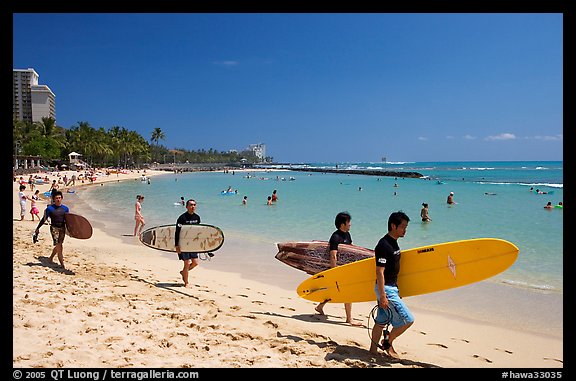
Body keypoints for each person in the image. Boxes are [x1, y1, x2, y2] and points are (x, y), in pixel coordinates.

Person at [369, 211, 414, 359]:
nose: (405, 230)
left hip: (390, 287)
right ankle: (387, 341)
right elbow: (379, 272)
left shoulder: (393, 242)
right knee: (408, 320)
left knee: (381, 321)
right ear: (393, 226)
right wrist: (383, 295)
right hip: (386, 289)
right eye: (403, 227)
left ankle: (372, 351)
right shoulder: (384, 245)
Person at [314, 212, 363, 326]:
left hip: (346, 268)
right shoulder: (335, 237)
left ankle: (320, 306)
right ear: (342, 224)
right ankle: (349, 319)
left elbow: (351, 251)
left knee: (334, 290)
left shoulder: (347, 235)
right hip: (338, 269)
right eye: (348, 222)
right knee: (347, 291)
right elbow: (333, 255)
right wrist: (334, 272)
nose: (350, 224)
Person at [34, 191, 70, 268]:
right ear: (53, 199)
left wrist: (71, 231)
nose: (58, 199)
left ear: (62, 198)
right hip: (54, 228)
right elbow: (43, 219)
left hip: (62, 228)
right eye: (56, 198)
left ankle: (50, 258)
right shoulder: (49, 209)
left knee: (59, 245)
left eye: (59, 198)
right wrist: (38, 228)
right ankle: (62, 264)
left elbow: (68, 220)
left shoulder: (65, 209)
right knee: (59, 246)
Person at [175, 199, 201, 287]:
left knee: (195, 263)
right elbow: (177, 232)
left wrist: (200, 244)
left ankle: (183, 272)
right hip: (183, 244)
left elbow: (198, 232)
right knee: (186, 263)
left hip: (193, 244)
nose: (193, 207)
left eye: (194, 205)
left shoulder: (197, 218)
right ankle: (186, 283)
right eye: (190, 205)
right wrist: (177, 245)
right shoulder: (182, 218)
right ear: (186, 207)